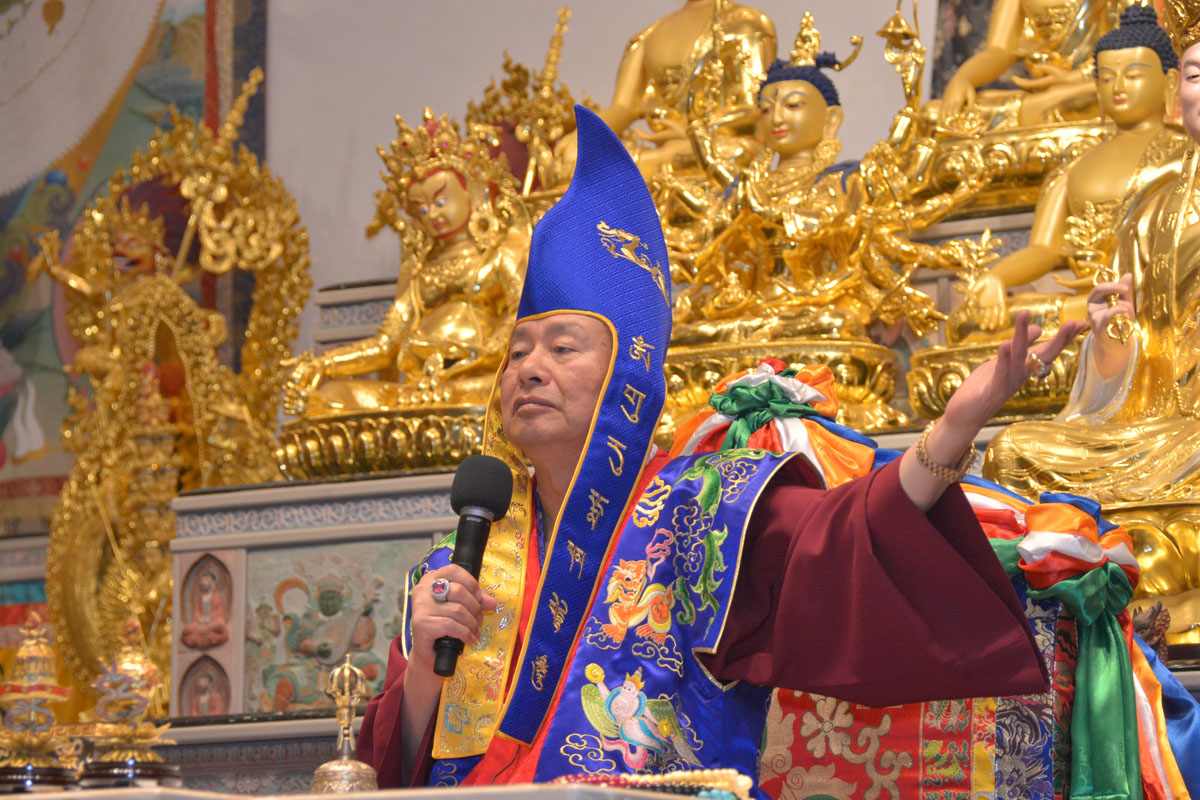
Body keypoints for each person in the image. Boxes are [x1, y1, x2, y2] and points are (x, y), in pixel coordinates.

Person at [358, 106, 1083, 790]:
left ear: (625, 376)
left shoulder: (704, 507)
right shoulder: (464, 564)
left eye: (563, 347)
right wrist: (423, 669)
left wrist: (954, 427)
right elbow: (389, 770)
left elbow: (842, 541)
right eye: (517, 352)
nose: (529, 369)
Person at [956, 5, 1186, 342]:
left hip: (1152, 296)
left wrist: (1130, 276)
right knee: (968, 323)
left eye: (1133, 75)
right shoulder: (1075, 166)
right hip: (1084, 305)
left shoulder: (1185, 157)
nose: (1118, 88)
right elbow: (1042, 251)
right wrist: (995, 278)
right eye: (1106, 78)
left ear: (1171, 81)